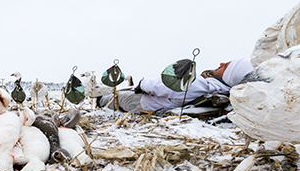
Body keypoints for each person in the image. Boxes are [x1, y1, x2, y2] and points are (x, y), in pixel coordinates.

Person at [98, 58, 253, 114]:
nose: (220, 63)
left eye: (226, 66)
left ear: (230, 75)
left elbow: (164, 86)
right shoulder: (218, 90)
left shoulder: (201, 85)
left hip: (146, 103)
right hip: (159, 104)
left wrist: (142, 84)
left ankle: (99, 101)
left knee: (112, 99)